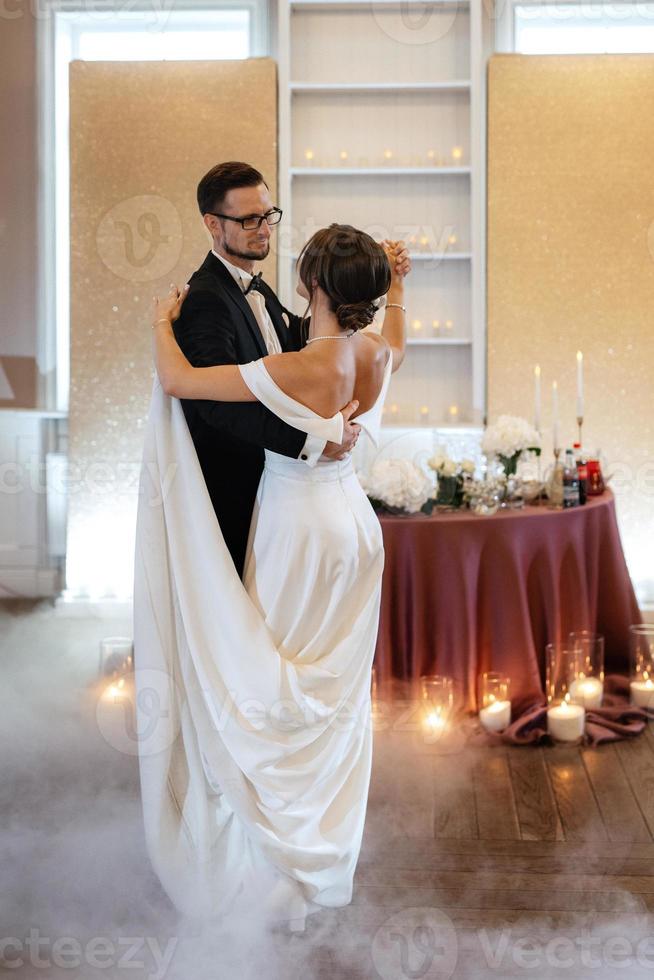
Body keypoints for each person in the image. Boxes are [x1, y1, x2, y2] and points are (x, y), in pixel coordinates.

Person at [133, 221, 408, 932]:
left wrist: (160, 322)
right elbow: (399, 342)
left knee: (276, 685)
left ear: (311, 286)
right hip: (356, 531)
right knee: (331, 696)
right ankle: (314, 855)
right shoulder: (373, 355)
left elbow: (180, 380)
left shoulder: (299, 369)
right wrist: (400, 286)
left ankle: (271, 867)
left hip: (301, 534)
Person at [171, 160, 409, 578]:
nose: (264, 229)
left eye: (268, 215)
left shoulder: (263, 294)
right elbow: (210, 405)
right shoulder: (205, 298)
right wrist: (311, 441)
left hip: (294, 511)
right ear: (212, 223)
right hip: (242, 490)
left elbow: (303, 337)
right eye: (249, 220)